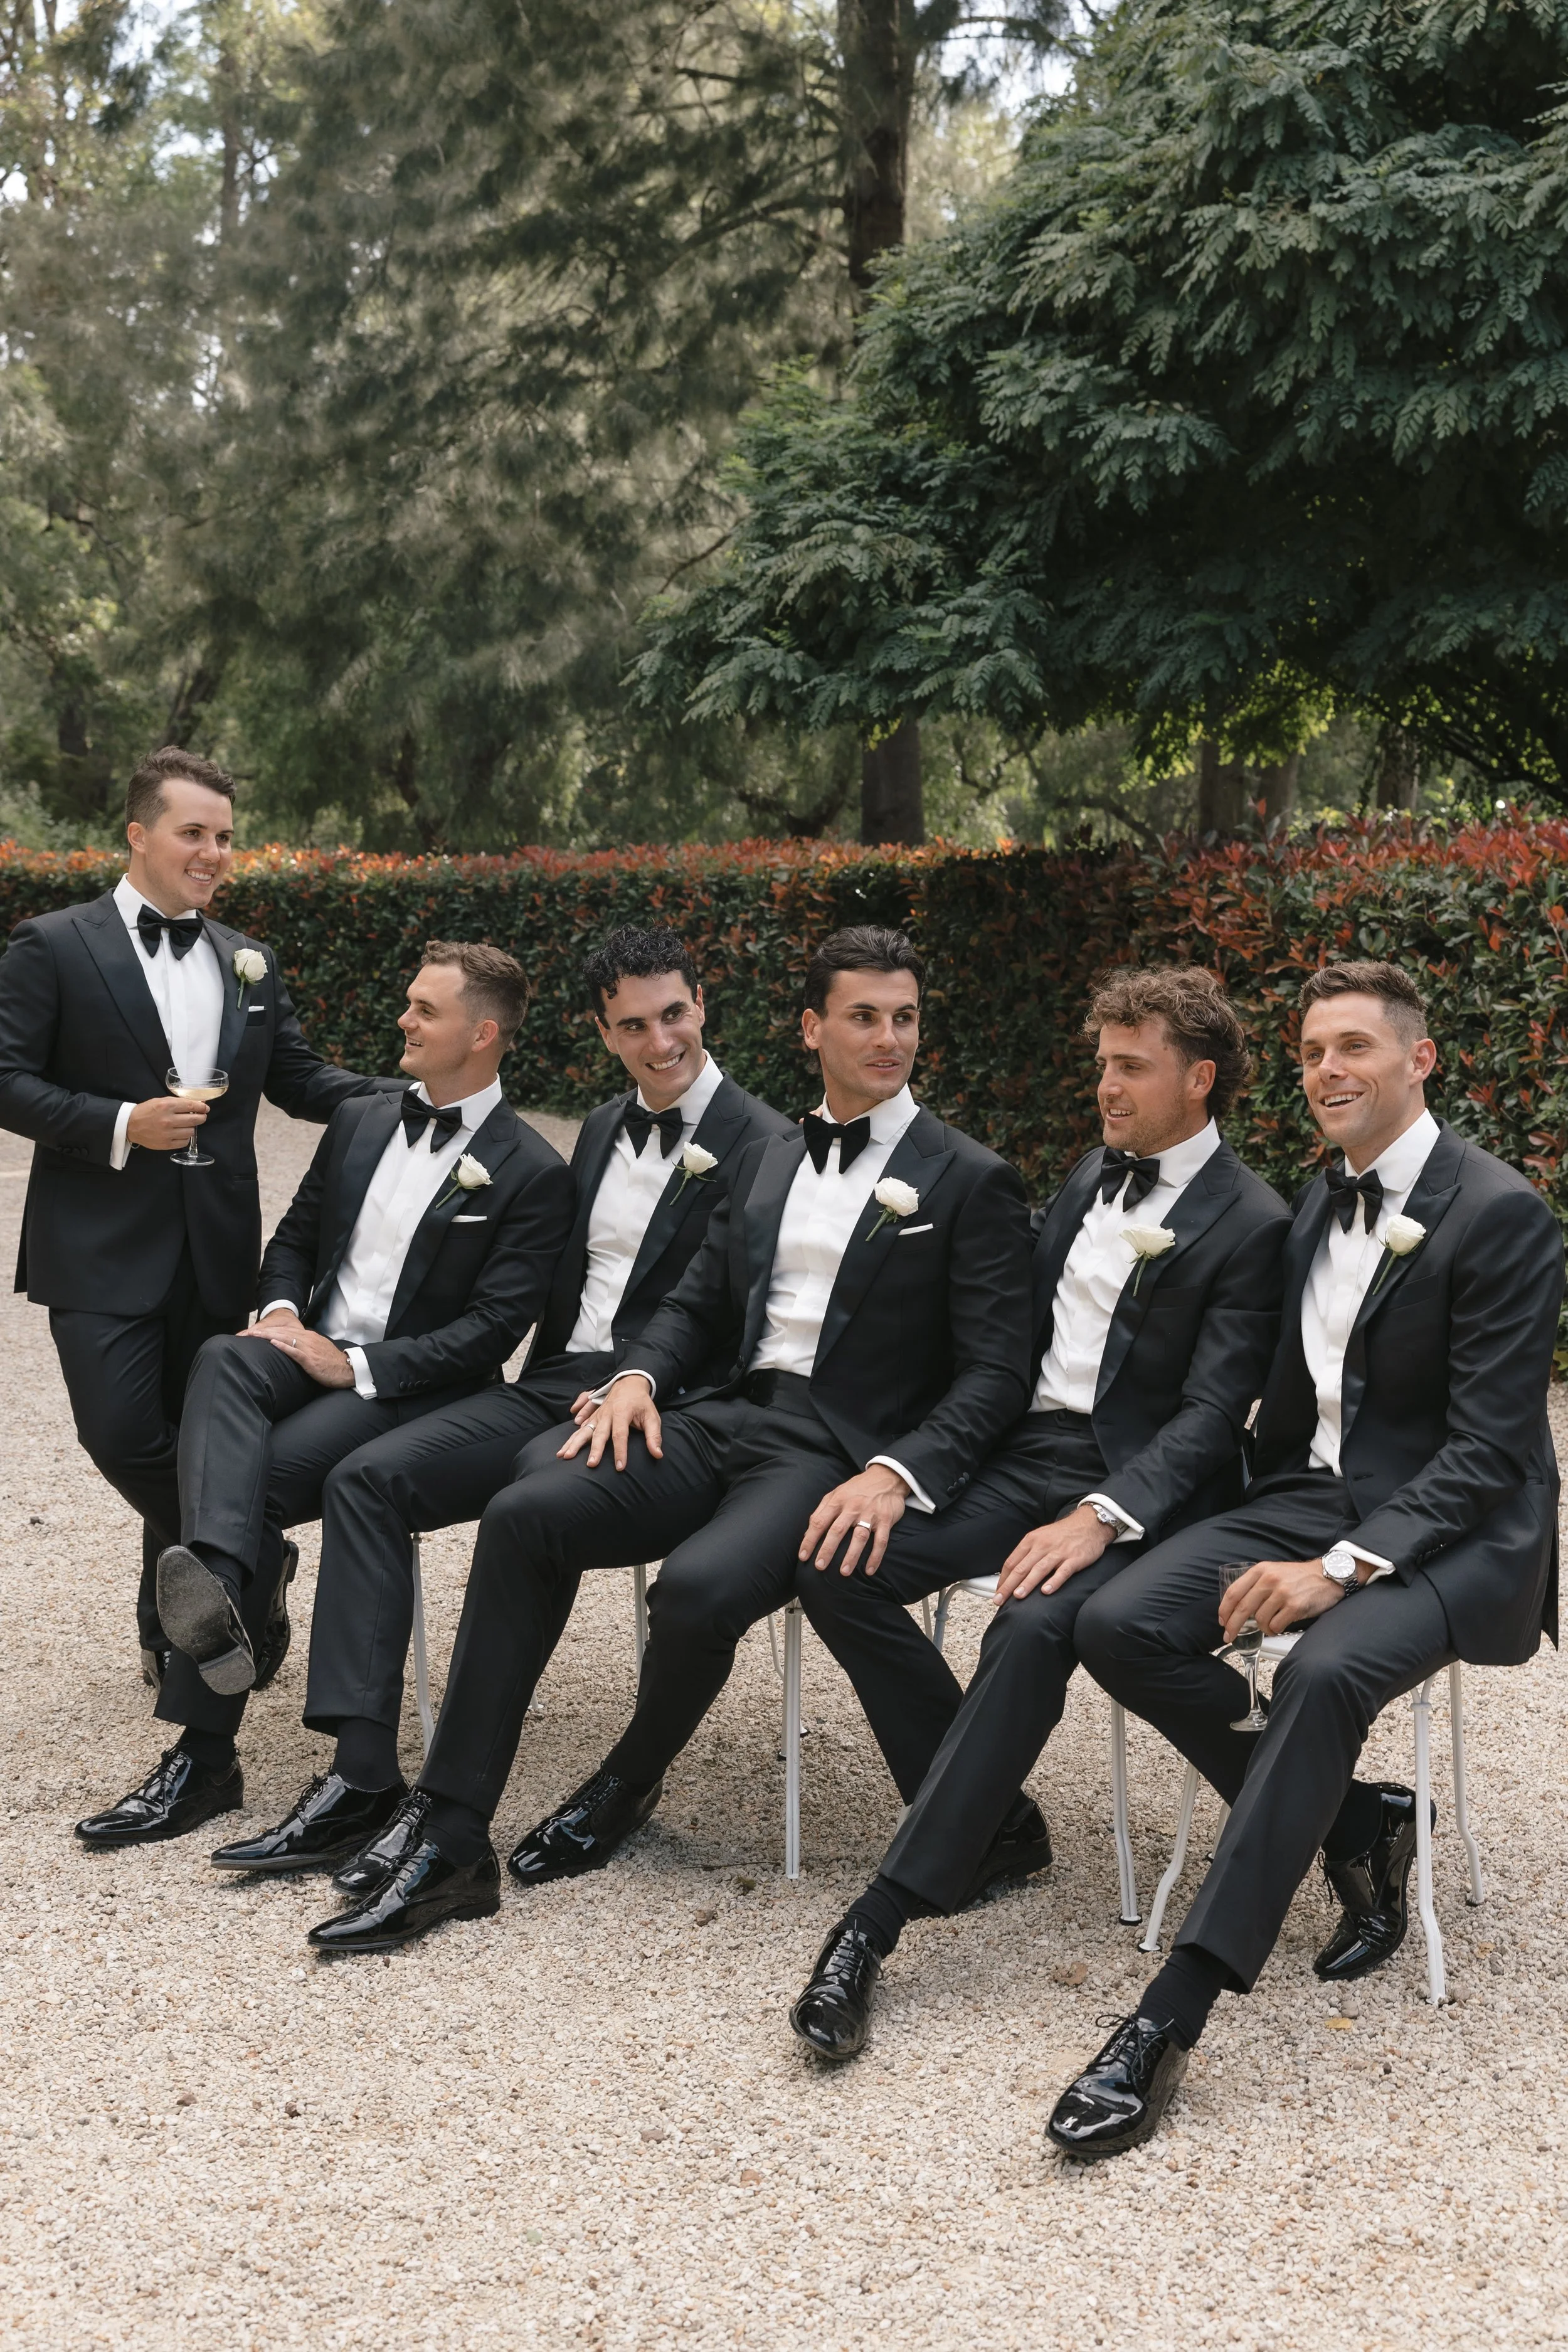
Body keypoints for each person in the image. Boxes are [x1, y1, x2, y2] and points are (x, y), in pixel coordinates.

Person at [305, 923, 1034, 1954]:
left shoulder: (969, 1177)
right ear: (812, 1026)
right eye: (864, 1016)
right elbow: (696, 1301)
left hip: (831, 1452)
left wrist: (897, 1472)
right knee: (527, 1511)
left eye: (905, 1017)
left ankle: (625, 1779)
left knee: (693, 1589)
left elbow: (998, 1370)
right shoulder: (769, 1152)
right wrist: (638, 1377)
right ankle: (453, 1831)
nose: (890, 1038)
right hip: (721, 1415)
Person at [1047, 960, 1564, 2159]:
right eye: (1314, 1050)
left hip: (1458, 1534)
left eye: (1356, 1048)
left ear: (1419, 1060)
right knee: (1114, 1620)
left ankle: (1166, 2021)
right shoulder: (1313, 1205)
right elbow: (1280, 1403)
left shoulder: (1501, 1212)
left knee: (1321, 1675)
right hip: (1308, 1493)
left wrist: (1343, 1565)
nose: (1328, 1069)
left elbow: (1490, 1448)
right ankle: (1355, 1818)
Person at [211, 923, 793, 1880]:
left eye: (675, 1014)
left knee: (531, 1501)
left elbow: (745, 1323)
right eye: (634, 1025)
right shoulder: (601, 1129)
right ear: (606, 1034)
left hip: (671, 1407)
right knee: (367, 1478)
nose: (661, 1042)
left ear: (702, 1004)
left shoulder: (768, 1144)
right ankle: (361, 1775)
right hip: (552, 1387)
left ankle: (454, 1815)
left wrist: (643, 1381)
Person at [787, 966, 1291, 2059]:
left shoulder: (1255, 1221)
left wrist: (1102, 1517)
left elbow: (1210, 1417)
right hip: (1025, 1455)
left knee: (1028, 1620)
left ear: (1200, 1080)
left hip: (1144, 1486)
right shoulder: (1086, 1176)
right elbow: (1005, 1358)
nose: (1104, 1086)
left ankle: (876, 1924)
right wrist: (902, 1467)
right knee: (837, 1560)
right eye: (1102, 1063)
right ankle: (992, 1821)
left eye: (1130, 1067)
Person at [73, 943, 575, 1851]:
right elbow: (297, 1239)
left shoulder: (535, 1171)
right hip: (299, 1345)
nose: (404, 1022)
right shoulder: (362, 1118)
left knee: (250, 1482)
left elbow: (494, 1332)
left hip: (408, 1384)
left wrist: (358, 1367)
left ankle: (206, 1757)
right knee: (225, 1357)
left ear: (483, 1032)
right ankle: (226, 1587)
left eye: (425, 1009)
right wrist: (276, 1311)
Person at [0, 746, 371, 1688]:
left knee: (192, 1432)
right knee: (122, 1433)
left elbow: (295, 1078)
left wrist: (409, 1097)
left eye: (224, 837)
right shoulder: (53, 943)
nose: (213, 853)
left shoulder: (249, 959)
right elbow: (7, 1078)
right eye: (193, 832)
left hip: (215, 1242)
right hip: (95, 1242)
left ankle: (172, 1631)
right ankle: (255, 1556)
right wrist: (123, 1122)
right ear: (139, 833)